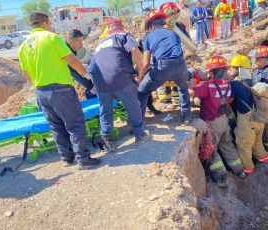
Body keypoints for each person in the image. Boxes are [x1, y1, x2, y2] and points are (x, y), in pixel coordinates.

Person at [18, 12, 100, 168]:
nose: (50, 25)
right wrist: (86, 74)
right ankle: (83, 159)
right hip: (60, 90)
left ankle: (67, 158)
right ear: (45, 22)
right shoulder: (51, 38)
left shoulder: (22, 46)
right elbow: (71, 60)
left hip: (41, 92)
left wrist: (38, 83)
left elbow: (26, 73)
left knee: (56, 125)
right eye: (49, 23)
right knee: (75, 123)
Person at [88, 19, 149, 151]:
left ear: (108, 30)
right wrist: (140, 72)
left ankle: (107, 139)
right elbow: (135, 50)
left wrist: (95, 86)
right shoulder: (124, 35)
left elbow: (91, 69)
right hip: (121, 78)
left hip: (101, 83)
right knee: (133, 106)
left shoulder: (99, 44)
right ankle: (139, 134)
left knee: (105, 111)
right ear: (121, 27)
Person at [189, 55, 244, 187]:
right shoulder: (228, 85)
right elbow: (229, 100)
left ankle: (222, 178)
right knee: (227, 145)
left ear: (212, 72)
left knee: (211, 150)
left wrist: (191, 81)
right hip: (223, 120)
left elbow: (191, 92)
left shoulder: (208, 86)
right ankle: (239, 170)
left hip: (211, 122)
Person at [138, 10, 191, 124]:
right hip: (181, 66)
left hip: (163, 68)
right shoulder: (173, 33)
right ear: (163, 22)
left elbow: (146, 62)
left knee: (142, 91)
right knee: (183, 89)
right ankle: (186, 118)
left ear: (151, 25)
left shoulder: (148, 37)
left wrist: (141, 77)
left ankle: (139, 123)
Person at [228, 55, 268, 175]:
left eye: (232, 67)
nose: (230, 70)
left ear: (238, 69)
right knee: (257, 140)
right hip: (258, 117)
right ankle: (264, 158)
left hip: (246, 120)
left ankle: (248, 169)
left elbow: (229, 100)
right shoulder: (252, 80)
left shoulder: (235, 84)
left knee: (244, 144)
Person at [66, 29, 96, 99]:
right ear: (71, 42)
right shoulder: (65, 49)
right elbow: (74, 71)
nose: (82, 45)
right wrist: (90, 86)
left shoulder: (72, 49)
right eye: (80, 42)